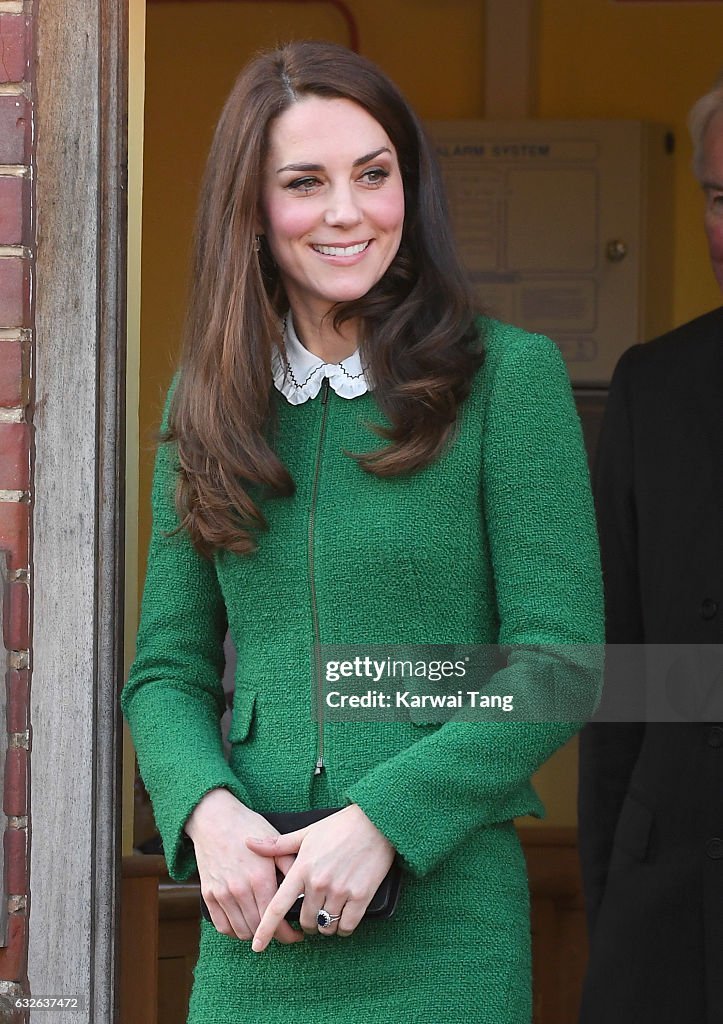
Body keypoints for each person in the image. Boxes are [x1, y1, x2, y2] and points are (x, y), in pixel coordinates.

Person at [121, 40, 603, 1024]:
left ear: (408, 187)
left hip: (447, 925)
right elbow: (166, 669)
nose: (349, 212)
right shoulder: (207, 403)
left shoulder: (509, 378)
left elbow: (558, 661)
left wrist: (388, 817)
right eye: (306, 183)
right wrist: (205, 813)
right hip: (254, 931)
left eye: (373, 175)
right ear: (252, 211)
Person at [577, 71, 723, 1024]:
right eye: (718, 196)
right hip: (669, 926)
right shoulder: (653, 389)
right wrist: (609, 901)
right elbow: (616, 676)